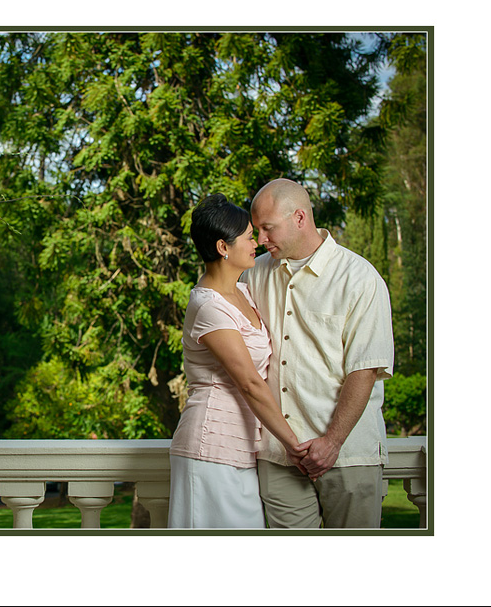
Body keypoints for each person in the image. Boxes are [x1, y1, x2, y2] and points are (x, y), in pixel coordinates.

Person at [244, 178, 394, 528]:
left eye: (268, 228)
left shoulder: (360, 279)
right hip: (280, 457)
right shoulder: (254, 275)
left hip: (349, 455)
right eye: (257, 230)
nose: (261, 240)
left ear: (299, 218)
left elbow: (365, 369)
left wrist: (332, 441)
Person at [167, 194, 309, 529]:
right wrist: (296, 448)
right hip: (210, 448)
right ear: (222, 247)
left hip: (243, 451)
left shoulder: (242, 292)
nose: (257, 241)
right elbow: (249, 382)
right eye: (248, 236)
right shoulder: (208, 306)